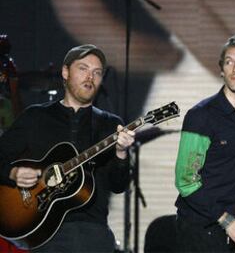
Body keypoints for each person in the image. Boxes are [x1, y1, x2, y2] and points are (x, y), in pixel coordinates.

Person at [0, 44, 135, 252]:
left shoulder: (110, 125)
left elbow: (118, 185)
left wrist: (121, 153)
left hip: (92, 231)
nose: (90, 77)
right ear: (65, 72)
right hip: (42, 231)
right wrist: (12, 172)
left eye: (97, 73)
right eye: (83, 69)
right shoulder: (35, 117)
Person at [174, 35, 235, 252]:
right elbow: (185, 181)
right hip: (200, 227)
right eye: (229, 62)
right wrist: (227, 221)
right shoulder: (201, 115)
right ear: (221, 70)